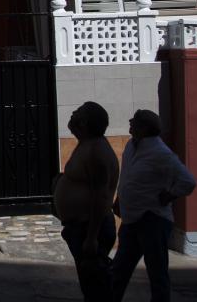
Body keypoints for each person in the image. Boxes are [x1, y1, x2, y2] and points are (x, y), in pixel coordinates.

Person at [111, 109, 197, 302]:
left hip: (152, 220)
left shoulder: (161, 153)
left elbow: (188, 181)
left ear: (144, 128)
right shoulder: (131, 147)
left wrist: (169, 195)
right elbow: (126, 176)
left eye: (135, 121)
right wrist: (119, 199)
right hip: (132, 219)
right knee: (119, 269)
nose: (130, 122)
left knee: (156, 272)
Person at [54, 101, 120, 302]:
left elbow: (101, 196)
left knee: (96, 287)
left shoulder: (96, 151)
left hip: (89, 229)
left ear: (84, 122)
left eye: (77, 113)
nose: (72, 115)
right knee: (90, 284)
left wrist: (91, 237)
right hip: (80, 227)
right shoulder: (87, 145)